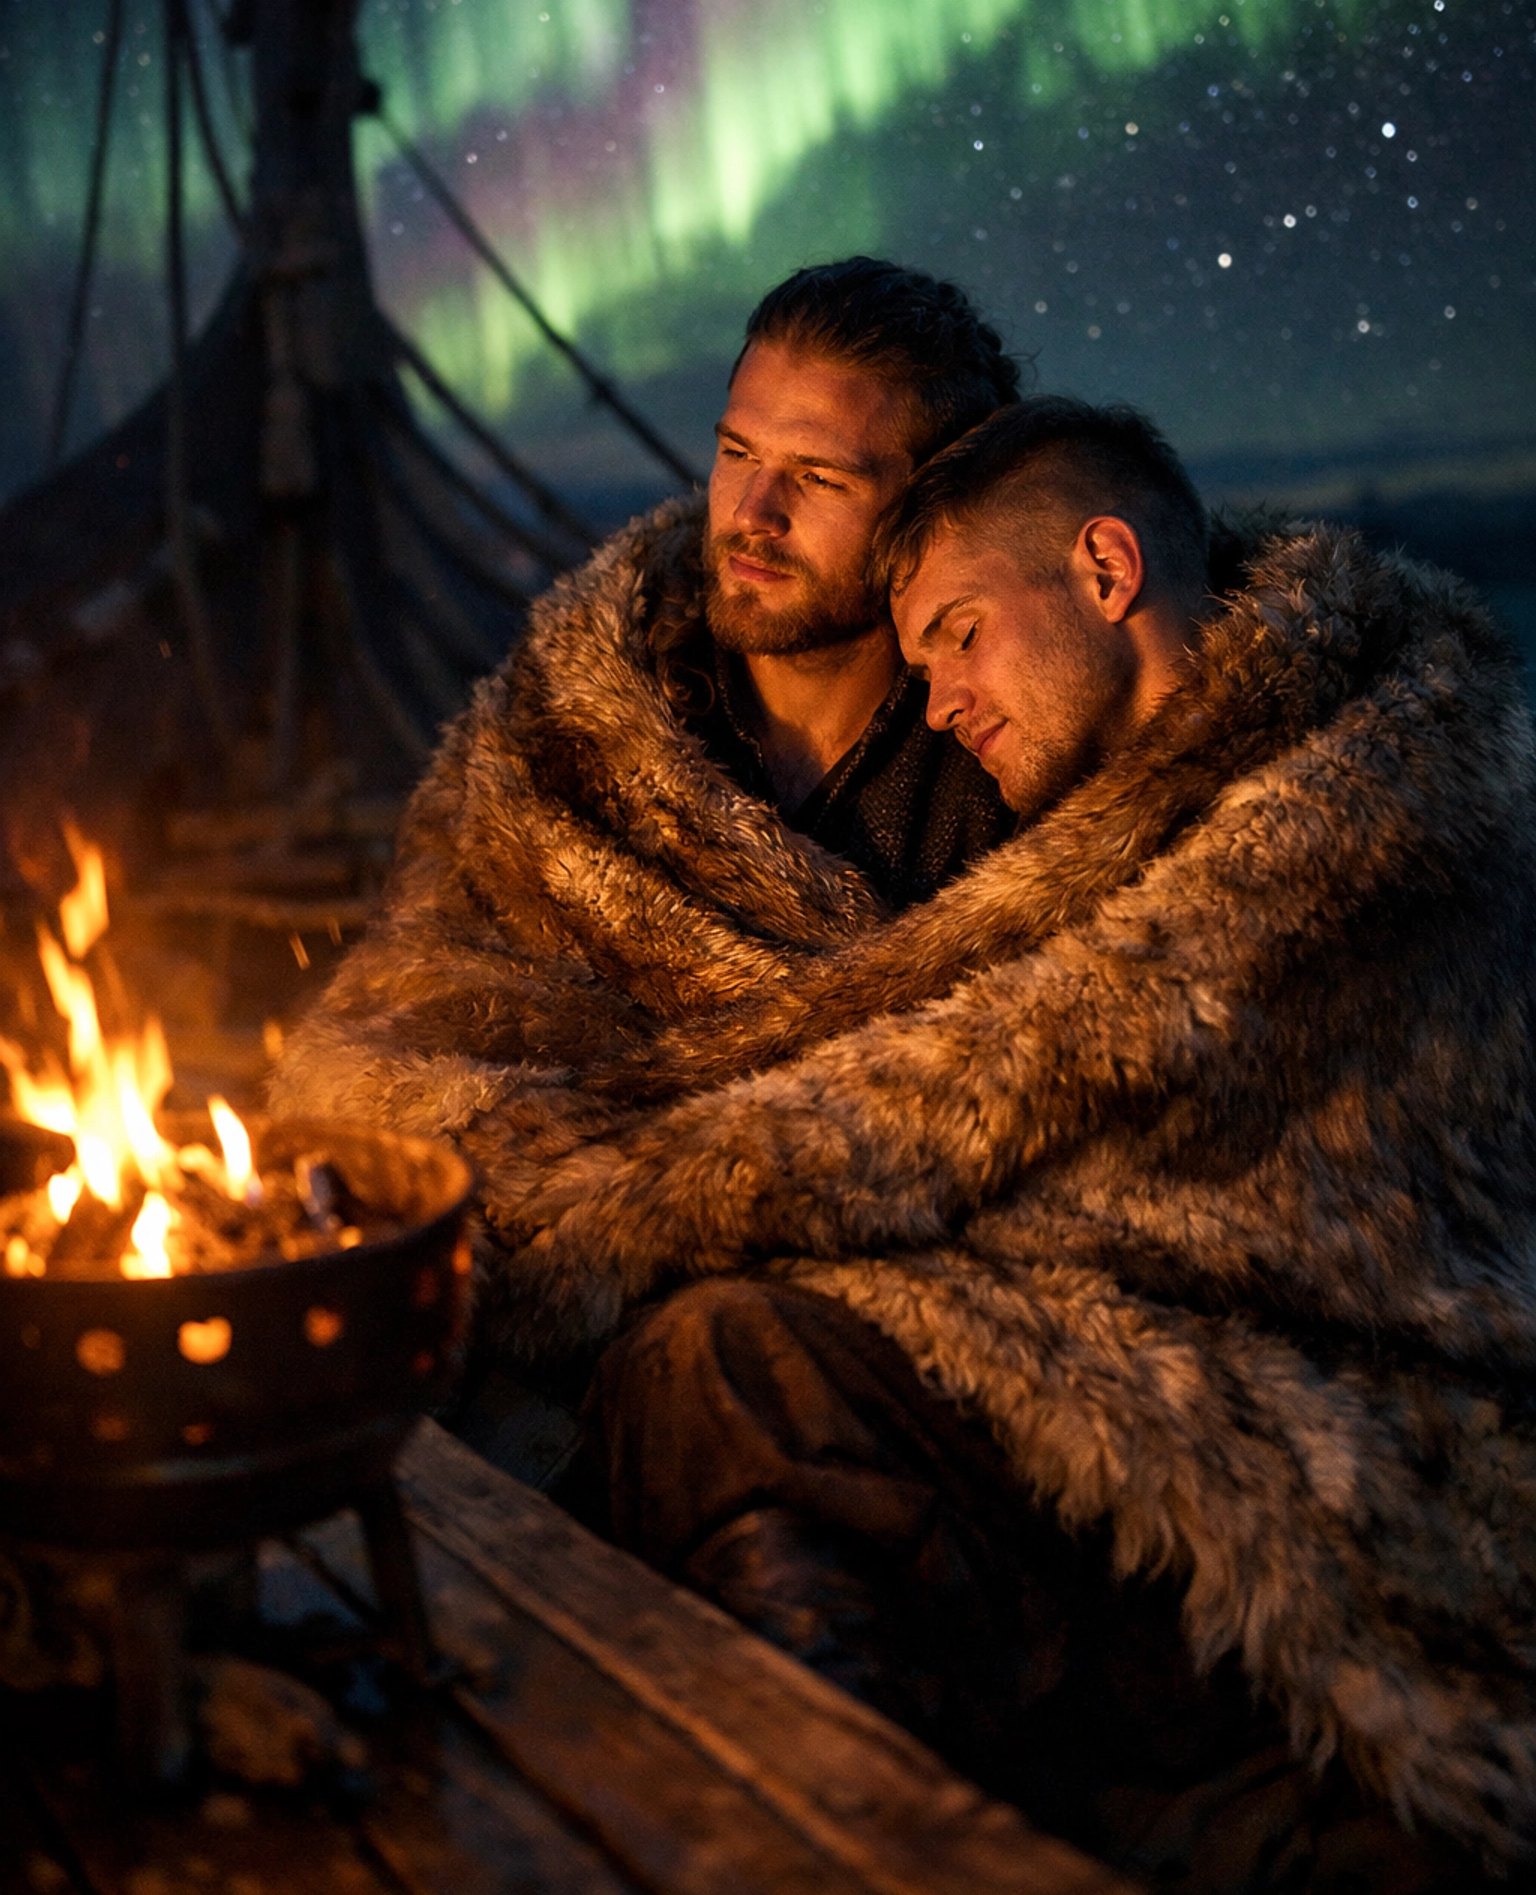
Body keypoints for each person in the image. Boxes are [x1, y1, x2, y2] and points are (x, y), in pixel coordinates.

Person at [476, 396, 1536, 1886]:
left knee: (726, 1363)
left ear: (1106, 569)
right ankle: (864, 1805)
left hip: (1336, 1478)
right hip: (1144, 1434)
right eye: (918, 666)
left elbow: (1075, 1142)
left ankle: (859, 1836)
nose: (945, 702)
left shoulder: (1362, 813)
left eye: (962, 634)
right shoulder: (1097, 828)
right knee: (716, 1365)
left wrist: (620, 1206)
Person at [272, 254, 1019, 1331]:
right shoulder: (567, 722)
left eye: (820, 478)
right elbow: (412, 1015)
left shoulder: (995, 755)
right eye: (736, 452)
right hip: (537, 1272)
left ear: (931, 511)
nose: (752, 512)